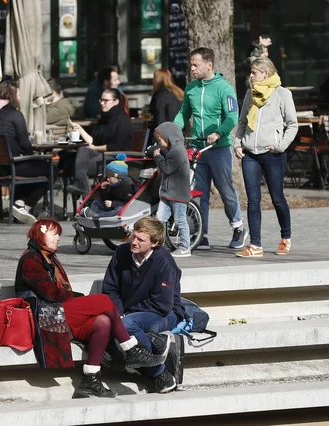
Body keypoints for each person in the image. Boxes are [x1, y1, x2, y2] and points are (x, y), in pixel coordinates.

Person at [14, 218, 166, 398]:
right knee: (102, 300)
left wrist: (82, 303)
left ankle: (90, 380)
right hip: (44, 318)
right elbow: (51, 294)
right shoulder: (30, 260)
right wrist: (82, 300)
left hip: (56, 316)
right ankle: (131, 350)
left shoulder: (48, 258)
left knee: (102, 322)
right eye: (54, 234)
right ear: (41, 234)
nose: (58, 238)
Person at [173, 47, 247, 251]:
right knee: (198, 193)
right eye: (191, 64)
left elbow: (232, 116)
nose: (192, 68)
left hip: (218, 148)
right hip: (198, 148)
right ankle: (200, 233)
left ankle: (238, 227)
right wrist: (170, 130)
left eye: (196, 64)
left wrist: (220, 133)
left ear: (209, 65)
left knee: (225, 189)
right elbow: (183, 113)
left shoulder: (224, 88)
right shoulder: (191, 88)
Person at [102, 216, 184, 394]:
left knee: (126, 325)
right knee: (111, 324)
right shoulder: (121, 253)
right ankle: (160, 372)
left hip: (162, 314)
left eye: (140, 239)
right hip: (129, 312)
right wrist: (119, 311)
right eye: (133, 236)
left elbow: (162, 303)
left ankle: (157, 354)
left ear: (154, 243)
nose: (134, 242)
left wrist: (126, 315)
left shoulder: (164, 261)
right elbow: (109, 288)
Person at [233, 57, 298, 258]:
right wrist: (237, 143)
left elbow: (292, 124)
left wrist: (280, 146)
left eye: (254, 72)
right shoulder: (249, 94)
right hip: (250, 154)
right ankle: (255, 245)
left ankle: (285, 237)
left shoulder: (282, 94)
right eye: (251, 72)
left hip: (272, 154)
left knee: (277, 198)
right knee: (253, 200)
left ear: (265, 73)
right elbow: (242, 122)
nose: (251, 76)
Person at [0, 80, 56, 224]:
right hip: (9, 166)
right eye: (19, 94)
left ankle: (17, 206)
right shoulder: (15, 115)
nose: (20, 97)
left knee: (27, 166)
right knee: (50, 167)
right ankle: (23, 205)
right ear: (12, 96)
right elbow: (25, 144)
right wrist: (32, 153)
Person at [66, 88, 134, 197]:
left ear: (115, 102)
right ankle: (84, 189)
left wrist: (94, 148)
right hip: (101, 156)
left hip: (115, 158)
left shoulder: (123, 121)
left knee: (76, 165)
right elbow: (95, 141)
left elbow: (115, 146)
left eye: (105, 101)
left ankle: (84, 191)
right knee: (80, 151)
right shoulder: (104, 119)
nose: (102, 103)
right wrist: (80, 130)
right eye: (101, 100)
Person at [151, 122, 193, 258]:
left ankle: (185, 247)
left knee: (180, 220)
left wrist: (157, 156)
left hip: (178, 194)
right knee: (159, 220)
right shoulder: (174, 150)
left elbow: (167, 167)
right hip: (168, 193)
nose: (158, 142)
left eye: (159, 139)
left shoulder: (177, 152)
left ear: (169, 136)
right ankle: (157, 245)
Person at [79, 153, 135, 218]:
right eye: (107, 176)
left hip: (120, 208)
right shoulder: (113, 184)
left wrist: (113, 204)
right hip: (111, 206)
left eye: (109, 177)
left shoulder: (128, 187)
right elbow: (106, 199)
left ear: (118, 178)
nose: (107, 179)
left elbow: (128, 204)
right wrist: (103, 190)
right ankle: (91, 214)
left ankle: (97, 216)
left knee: (120, 209)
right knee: (96, 202)